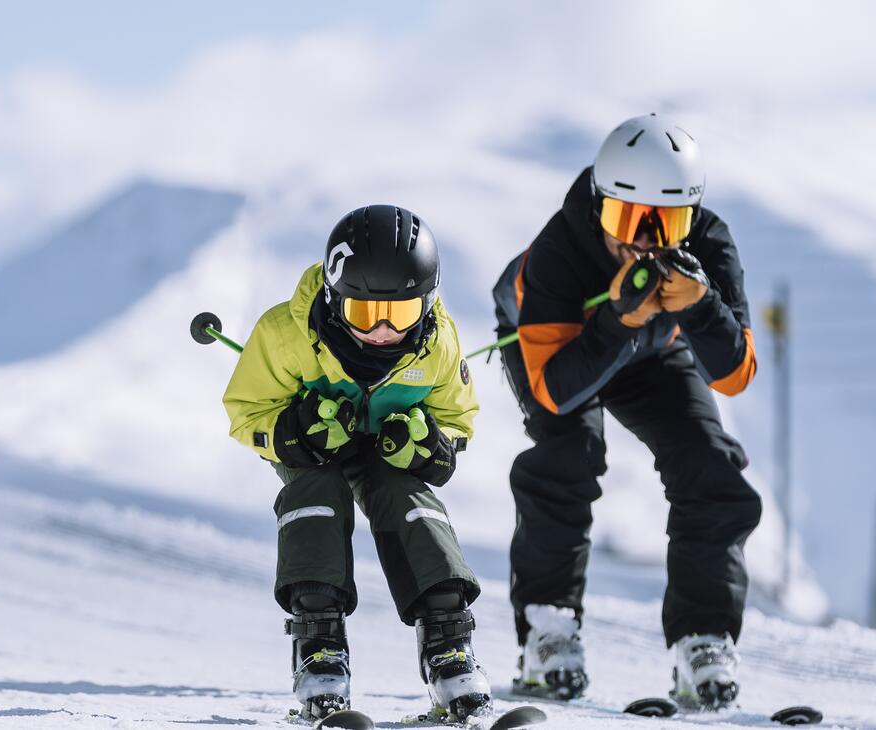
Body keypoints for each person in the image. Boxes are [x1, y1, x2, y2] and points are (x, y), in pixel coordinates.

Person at [492, 114, 762, 709]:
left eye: (665, 223)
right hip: (555, 349)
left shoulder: (708, 246)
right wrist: (617, 321)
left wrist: (701, 305)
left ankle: (703, 637)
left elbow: (734, 375)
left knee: (711, 464)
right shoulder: (563, 247)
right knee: (569, 453)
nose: (643, 240)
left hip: (652, 351)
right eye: (626, 218)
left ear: (690, 219)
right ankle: (547, 629)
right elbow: (554, 392)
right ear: (599, 203)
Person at [222, 204, 493, 722]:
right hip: (318, 448)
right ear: (333, 296)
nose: (384, 331)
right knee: (316, 493)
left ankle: (447, 645)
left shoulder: (438, 345)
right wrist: (294, 432)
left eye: (404, 313)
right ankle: (319, 647)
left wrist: (432, 446)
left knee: (409, 498)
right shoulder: (285, 333)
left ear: (429, 303)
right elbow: (246, 409)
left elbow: (457, 418)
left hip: (387, 454)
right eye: (365, 314)